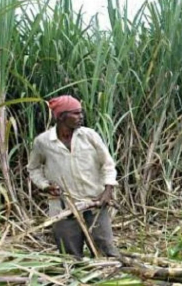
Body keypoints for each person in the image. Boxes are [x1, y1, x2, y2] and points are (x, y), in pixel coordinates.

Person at [28, 95, 119, 258]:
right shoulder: (43, 142)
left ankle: (107, 281)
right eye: (75, 113)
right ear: (61, 116)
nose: (81, 116)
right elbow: (33, 169)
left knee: (106, 252)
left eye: (81, 112)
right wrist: (45, 185)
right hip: (63, 207)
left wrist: (108, 190)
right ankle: (75, 282)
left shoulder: (89, 136)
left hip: (94, 203)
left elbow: (108, 164)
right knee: (70, 256)